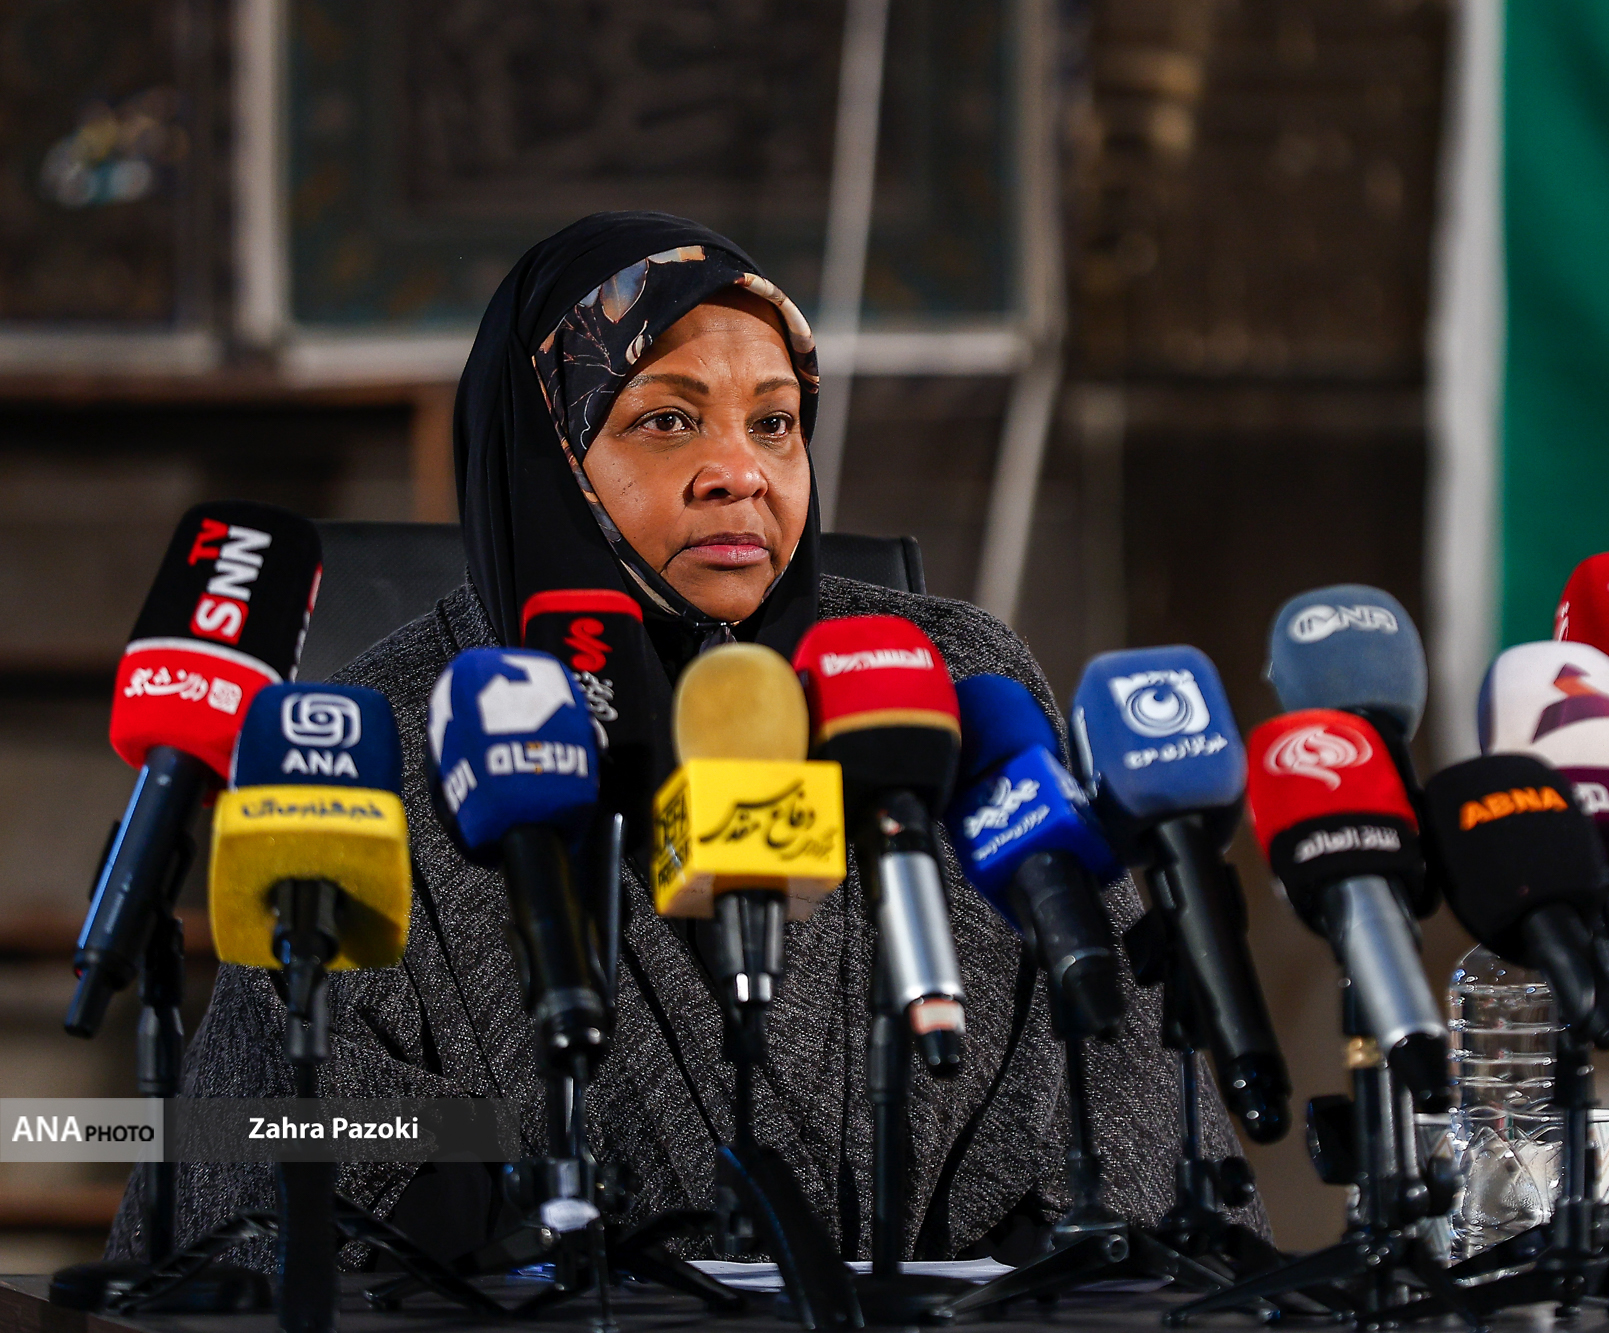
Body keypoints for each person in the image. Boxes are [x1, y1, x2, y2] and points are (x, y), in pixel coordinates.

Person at [107, 212, 1263, 1268]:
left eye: (774, 422)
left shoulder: (950, 675)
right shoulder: (384, 727)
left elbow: (1113, 1069)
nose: (740, 474)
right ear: (547, 451)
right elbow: (274, 1162)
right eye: (666, 420)